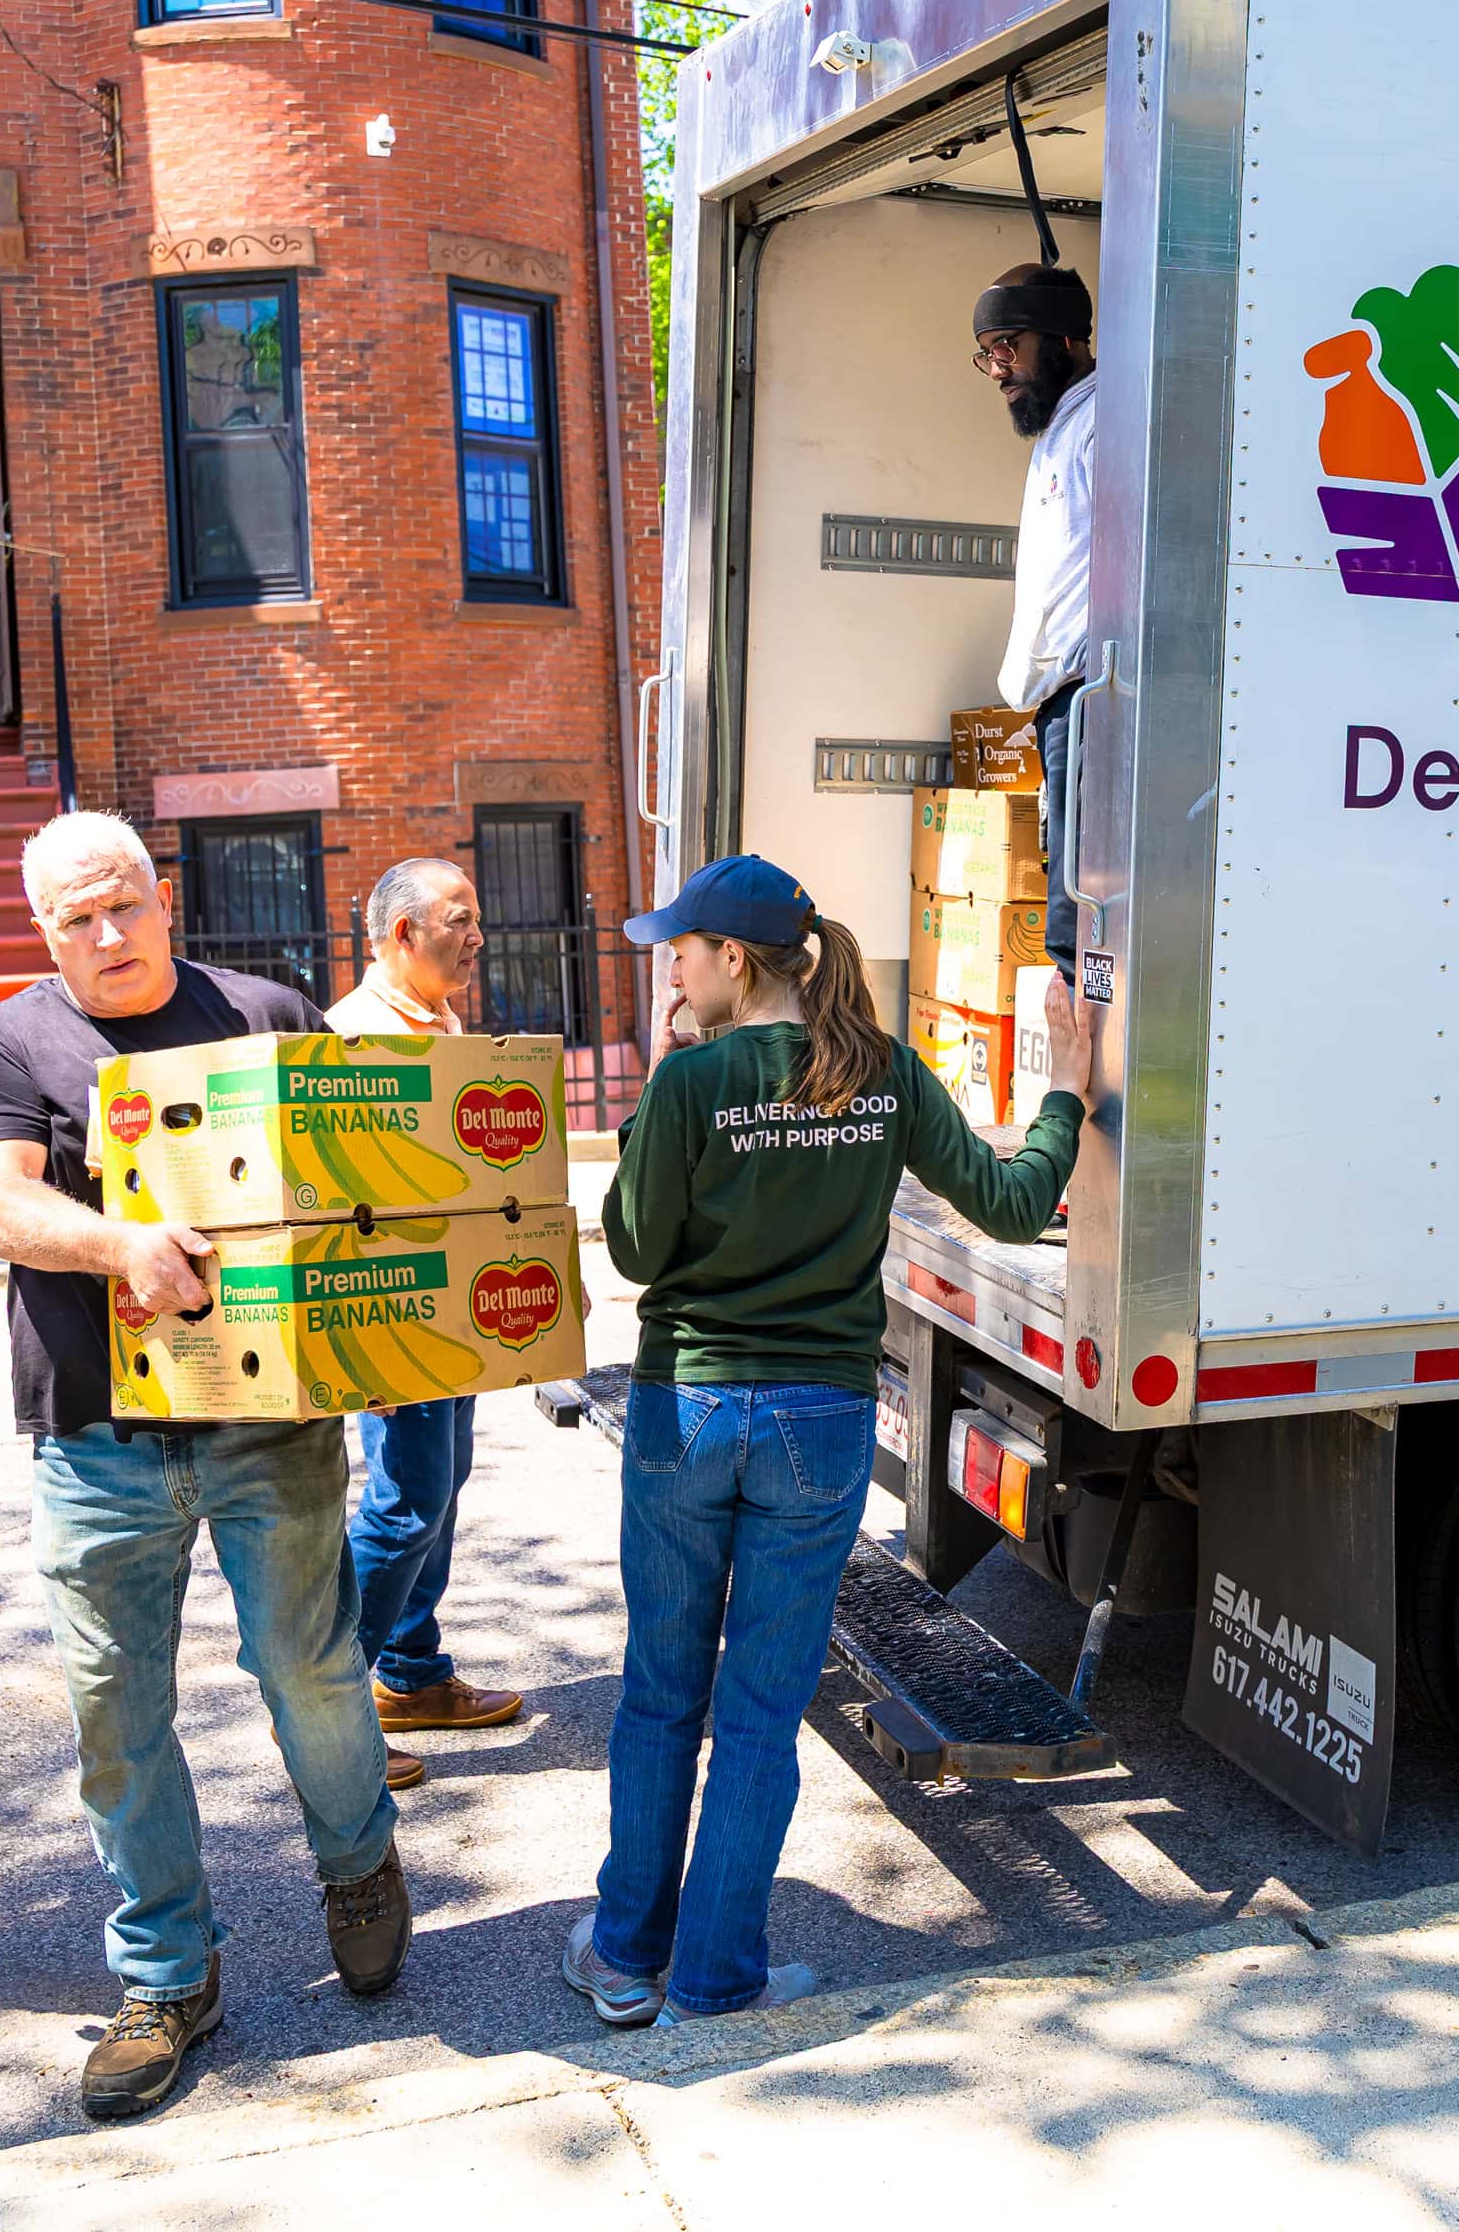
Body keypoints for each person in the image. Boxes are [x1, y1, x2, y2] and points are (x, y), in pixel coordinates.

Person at [566, 855, 1092, 2028]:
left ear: (732, 961)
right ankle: (714, 1979)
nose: (674, 970)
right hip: (817, 1416)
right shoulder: (884, 1073)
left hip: (687, 1407)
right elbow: (1012, 1205)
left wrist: (663, 1088)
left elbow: (637, 1253)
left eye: (682, 951)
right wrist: (1064, 1090)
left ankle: (621, 1959)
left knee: (661, 1693)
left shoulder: (692, 1082)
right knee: (760, 1708)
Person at [0, 811, 410, 2124]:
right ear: (43, 931)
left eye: (123, 907)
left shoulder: (268, 1009)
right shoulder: (12, 1039)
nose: (105, 937)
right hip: (96, 1438)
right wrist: (122, 1244)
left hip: (272, 1428)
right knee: (115, 1713)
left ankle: (361, 1860)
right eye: (75, 920)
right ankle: (164, 1975)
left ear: (166, 899)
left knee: (306, 1666)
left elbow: (355, 1181)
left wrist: (377, 1330)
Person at [327, 856, 528, 1741]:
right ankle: (329, 1704)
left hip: (450, 1302)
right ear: (403, 933)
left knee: (440, 1486)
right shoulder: (356, 1036)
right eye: (460, 918)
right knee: (407, 1501)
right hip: (395, 1308)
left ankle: (410, 1673)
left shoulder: (436, 1020)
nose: (477, 935)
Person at [979, 260, 1097, 977]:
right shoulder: (1060, 426)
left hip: (1091, 697)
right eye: (987, 354)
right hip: (1059, 708)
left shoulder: (1102, 423)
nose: (997, 370)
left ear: (1059, 336)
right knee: (1070, 886)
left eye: (1007, 347)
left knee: (1076, 916)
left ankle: (1083, 1080)